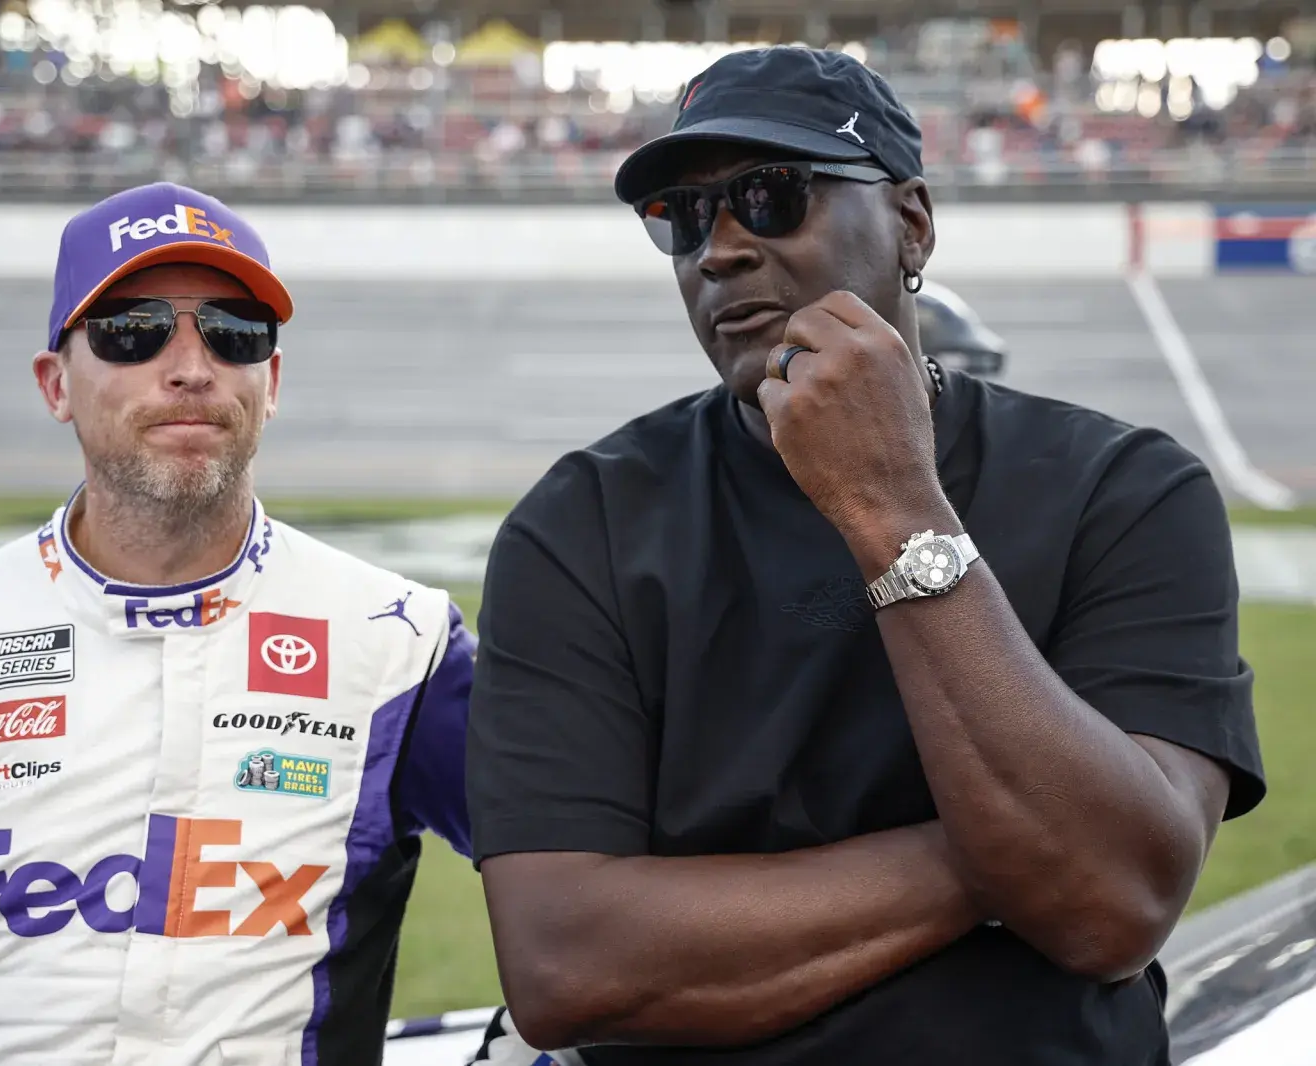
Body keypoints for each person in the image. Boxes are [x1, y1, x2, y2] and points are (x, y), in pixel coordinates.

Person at [465, 47, 1265, 1065]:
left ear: (911, 224)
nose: (718, 249)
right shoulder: (581, 524)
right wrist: (1011, 853)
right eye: (684, 214)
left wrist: (891, 507)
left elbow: (1112, 906)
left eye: (769, 195)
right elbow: (563, 965)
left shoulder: (1127, 492)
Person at [0, 182, 476, 1066]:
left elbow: (593, 885)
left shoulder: (402, 645)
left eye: (234, 332)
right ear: (56, 384)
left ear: (270, 380)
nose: (191, 366)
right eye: (133, 331)